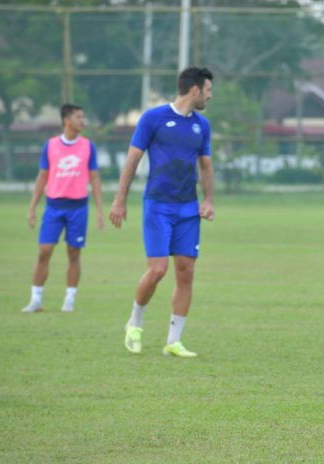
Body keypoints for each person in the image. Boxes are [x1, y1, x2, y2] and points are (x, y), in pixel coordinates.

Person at [109, 66, 214, 357]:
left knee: (186, 272)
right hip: (157, 205)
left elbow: (205, 165)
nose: (210, 96)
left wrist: (208, 200)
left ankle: (173, 341)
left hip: (187, 209)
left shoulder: (201, 125)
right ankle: (134, 322)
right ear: (195, 89)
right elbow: (132, 160)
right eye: (208, 90)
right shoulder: (153, 118)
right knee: (157, 270)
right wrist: (119, 200)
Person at [23, 104, 104, 313]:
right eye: (79, 117)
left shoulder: (88, 146)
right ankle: (36, 299)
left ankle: (69, 299)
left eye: (83, 117)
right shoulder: (50, 146)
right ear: (66, 120)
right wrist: (32, 207)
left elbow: (94, 179)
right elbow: (42, 176)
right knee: (44, 251)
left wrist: (100, 211)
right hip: (53, 206)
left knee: (73, 253)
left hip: (78, 207)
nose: (82, 121)